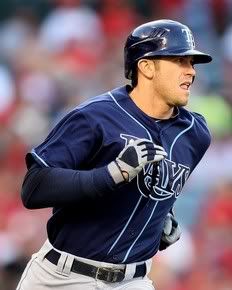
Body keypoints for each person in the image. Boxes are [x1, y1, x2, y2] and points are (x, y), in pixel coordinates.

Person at [16, 19, 212, 290]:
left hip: (133, 281)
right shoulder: (94, 117)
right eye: (180, 61)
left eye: (191, 63)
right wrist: (111, 174)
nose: (190, 72)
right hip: (63, 277)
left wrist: (158, 218)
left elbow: (154, 185)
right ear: (146, 67)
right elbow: (34, 188)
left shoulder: (195, 133)